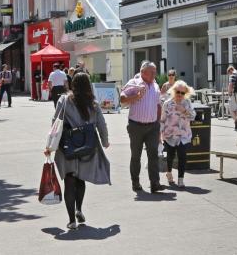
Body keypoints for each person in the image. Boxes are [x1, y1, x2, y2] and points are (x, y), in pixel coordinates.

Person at [44, 72, 110, 230]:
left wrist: (50, 145)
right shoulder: (93, 103)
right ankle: (79, 209)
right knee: (81, 179)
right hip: (87, 147)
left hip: (67, 146)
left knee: (69, 180)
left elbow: (56, 123)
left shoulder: (64, 100)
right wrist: (105, 141)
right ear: (88, 85)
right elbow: (101, 124)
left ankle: (71, 220)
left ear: (72, 84)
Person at [120, 61, 164, 193]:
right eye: (152, 72)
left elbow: (158, 105)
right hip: (136, 126)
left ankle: (155, 183)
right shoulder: (135, 82)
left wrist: (158, 124)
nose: (154, 74)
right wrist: (136, 96)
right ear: (143, 72)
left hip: (152, 126)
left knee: (153, 156)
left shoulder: (155, 85)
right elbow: (122, 98)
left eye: (155, 72)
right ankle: (136, 183)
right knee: (136, 156)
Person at [161, 79, 196, 187]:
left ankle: (181, 179)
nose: (180, 94)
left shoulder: (187, 103)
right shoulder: (167, 104)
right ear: (173, 91)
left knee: (182, 156)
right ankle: (169, 173)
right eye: (178, 92)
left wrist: (184, 110)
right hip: (169, 134)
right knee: (170, 156)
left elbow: (193, 116)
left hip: (183, 134)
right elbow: (162, 120)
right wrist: (160, 135)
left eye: (183, 93)